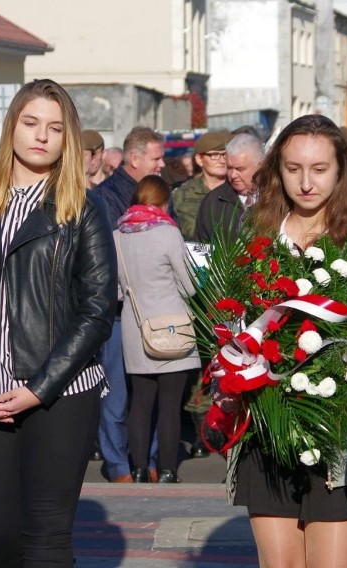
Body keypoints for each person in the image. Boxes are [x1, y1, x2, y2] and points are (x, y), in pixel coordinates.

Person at [0, 79, 117, 566]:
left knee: (46, 540)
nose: (41, 136)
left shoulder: (83, 210)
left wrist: (41, 386)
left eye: (54, 128)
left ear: (67, 138)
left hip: (61, 395)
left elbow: (97, 310)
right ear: (12, 125)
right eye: (31, 123)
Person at [238, 114, 347, 567]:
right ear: (277, 170)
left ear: (342, 170)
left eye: (319, 169)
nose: (305, 183)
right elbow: (229, 325)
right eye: (293, 168)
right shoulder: (256, 238)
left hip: (338, 435)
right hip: (267, 428)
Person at [114, 175, 200, 483]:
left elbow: (117, 292)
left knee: (139, 403)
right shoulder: (168, 233)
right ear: (164, 202)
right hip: (172, 327)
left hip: (136, 328)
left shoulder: (118, 235)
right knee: (169, 406)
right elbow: (189, 286)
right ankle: (166, 470)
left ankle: (137, 468)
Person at [93, 125, 166, 483]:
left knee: (147, 394)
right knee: (117, 395)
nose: (163, 163)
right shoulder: (106, 198)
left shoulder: (158, 193)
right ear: (134, 159)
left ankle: (146, 460)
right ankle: (118, 464)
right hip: (118, 312)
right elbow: (108, 259)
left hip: (154, 311)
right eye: (156, 157)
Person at [195, 132, 264, 242]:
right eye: (229, 168)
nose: (233, 175)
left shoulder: (278, 197)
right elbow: (202, 247)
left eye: (240, 169)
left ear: (261, 166)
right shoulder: (213, 201)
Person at [171, 130, 233, 241]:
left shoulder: (238, 189)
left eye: (225, 155)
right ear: (200, 160)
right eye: (214, 155)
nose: (222, 161)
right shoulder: (182, 193)